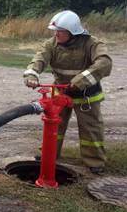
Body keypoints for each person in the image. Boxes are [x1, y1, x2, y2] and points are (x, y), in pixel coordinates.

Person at [23, 10, 112, 174]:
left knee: (90, 129)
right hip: (61, 93)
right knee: (53, 126)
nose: (56, 34)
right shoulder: (51, 44)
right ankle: (49, 155)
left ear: (73, 32)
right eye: (55, 31)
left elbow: (104, 64)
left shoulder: (92, 44)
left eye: (61, 31)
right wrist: (31, 74)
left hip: (87, 95)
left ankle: (95, 162)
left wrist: (81, 80)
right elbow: (39, 59)